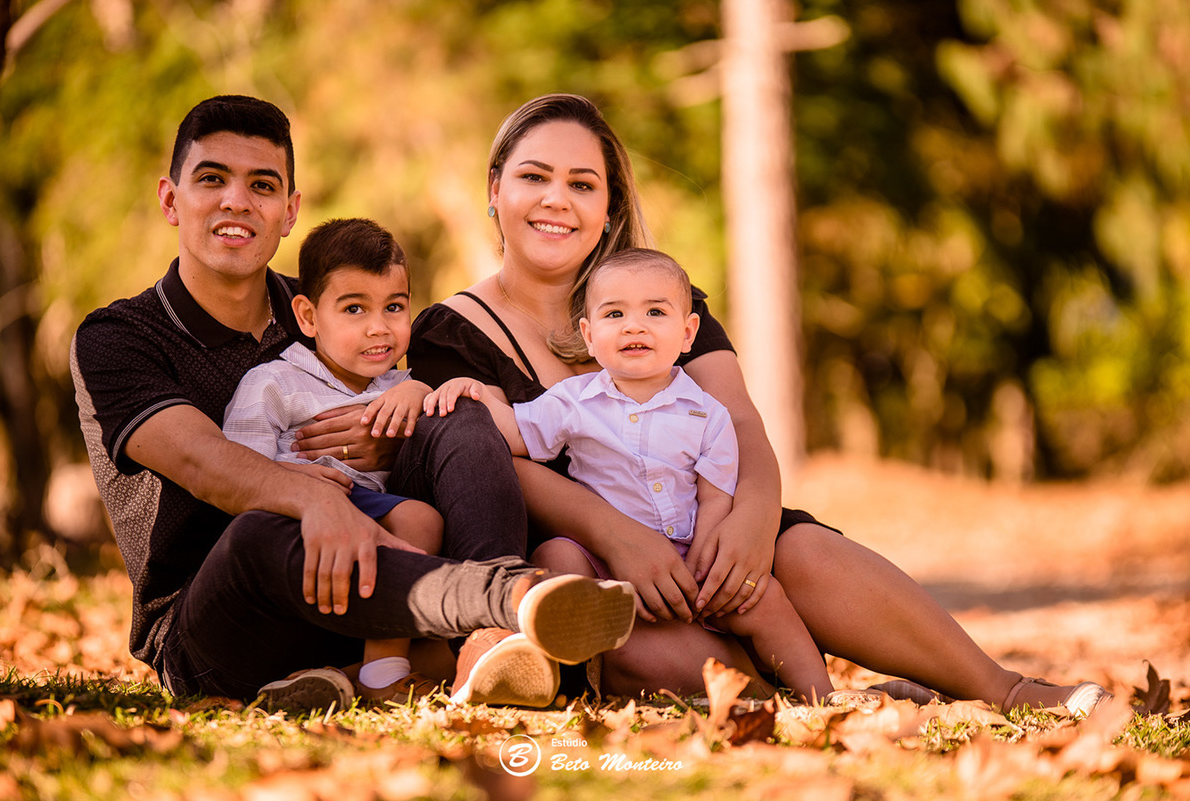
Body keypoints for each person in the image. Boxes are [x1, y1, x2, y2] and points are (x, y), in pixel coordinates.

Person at [400, 92, 1110, 715]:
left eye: (583, 183)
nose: (558, 199)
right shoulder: (447, 333)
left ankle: (1006, 687)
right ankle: (816, 704)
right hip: (591, 561)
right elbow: (493, 456)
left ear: (608, 205)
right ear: (495, 189)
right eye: (533, 176)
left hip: (702, 522)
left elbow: (737, 415)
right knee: (613, 635)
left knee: (795, 549)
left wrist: (753, 515)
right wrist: (617, 534)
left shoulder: (660, 300)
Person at [70, 94, 637, 712]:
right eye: (212, 179)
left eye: (261, 185)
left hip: (373, 590)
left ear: (288, 213)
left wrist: (411, 411)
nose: (236, 201)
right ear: (170, 200)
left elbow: (400, 395)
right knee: (261, 530)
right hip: (226, 616)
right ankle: (515, 600)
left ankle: (485, 647)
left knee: (457, 415)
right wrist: (316, 498)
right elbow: (204, 461)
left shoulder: (335, 301)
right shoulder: (119, 337)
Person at [426, 248, 834, 702]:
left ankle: (820, 697)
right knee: (555, 555)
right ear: (589, 333)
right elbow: (517, 433)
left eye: (654, 312)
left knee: (767, 599)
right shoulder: (572, 401)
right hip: (604, 557)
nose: (633, 326)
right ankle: (577, 652)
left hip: (689, 552)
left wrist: (704, 556)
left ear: (687, 333)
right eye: (614, 313)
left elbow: (716, 494)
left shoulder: (706, 412)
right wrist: (473, 393)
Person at [222, 217, 449, 704]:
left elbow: (439, 423)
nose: (378, 327)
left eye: (394, 307)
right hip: (299, 522)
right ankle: (385, 672)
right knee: (418, 517)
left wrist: (418, 389)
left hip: (373, 525)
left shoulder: (399, 385)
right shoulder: (275, 382)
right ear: (307, 317)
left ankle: (348, 675)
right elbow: (238, 465)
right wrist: (292, 478)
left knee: (445, 655)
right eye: (354, 309)